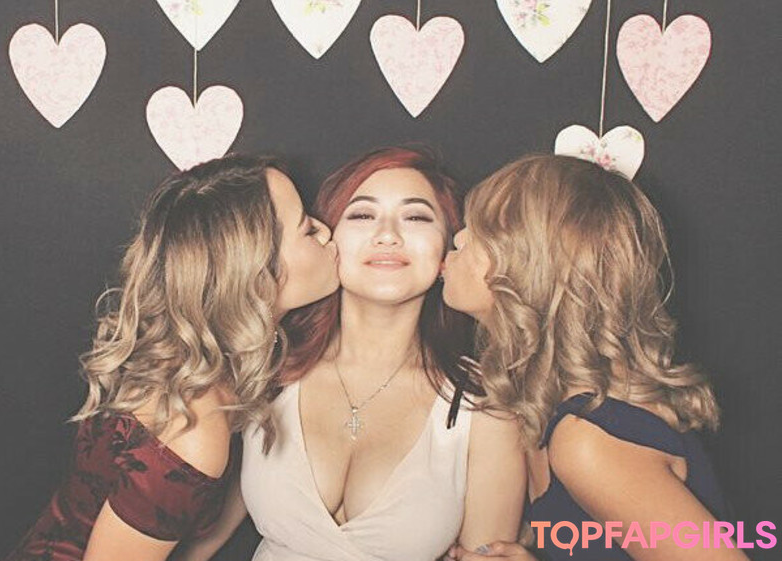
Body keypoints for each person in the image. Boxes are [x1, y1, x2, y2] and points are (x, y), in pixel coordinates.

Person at [181, 147, 526, 561]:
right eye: (362, 214)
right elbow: (205, 534)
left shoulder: (484, 407)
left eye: (416, 217)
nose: (388, 235)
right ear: (325, 238)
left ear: (446, 252)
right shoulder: (267, 370)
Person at [4, 154, 340, 561]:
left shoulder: (207, 360)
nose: (326, 230)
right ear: (258, 274)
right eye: (307, 228)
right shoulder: (193, 432)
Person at [442, 154, 744, 561]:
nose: (459, 239)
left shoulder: (589, 439)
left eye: (480, 231)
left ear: (530, 266)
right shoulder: (550, 410)